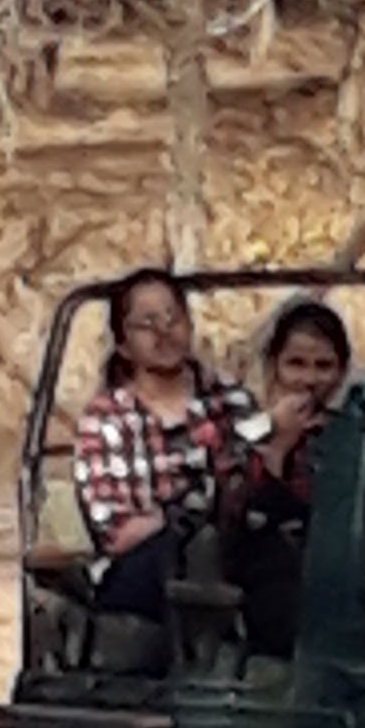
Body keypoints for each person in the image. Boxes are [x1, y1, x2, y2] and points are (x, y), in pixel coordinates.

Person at [70, 272, 256, 648]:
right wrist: (180, 513)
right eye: (147, 323)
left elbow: (255, 484)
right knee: (178, 555)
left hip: (236, 548)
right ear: (123, 344)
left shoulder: (232, 400)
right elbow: (118, 534)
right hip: (144, 567)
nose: (163, 333)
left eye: (173, 319)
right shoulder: (106, 419)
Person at [217, 292, 349, 657]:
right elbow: (238, 520)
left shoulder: (354, 435)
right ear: (275, 365)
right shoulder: (246, 432)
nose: (309, 379)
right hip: (267, 585)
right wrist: (279, 447)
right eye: (296, 364)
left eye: (324, 366)